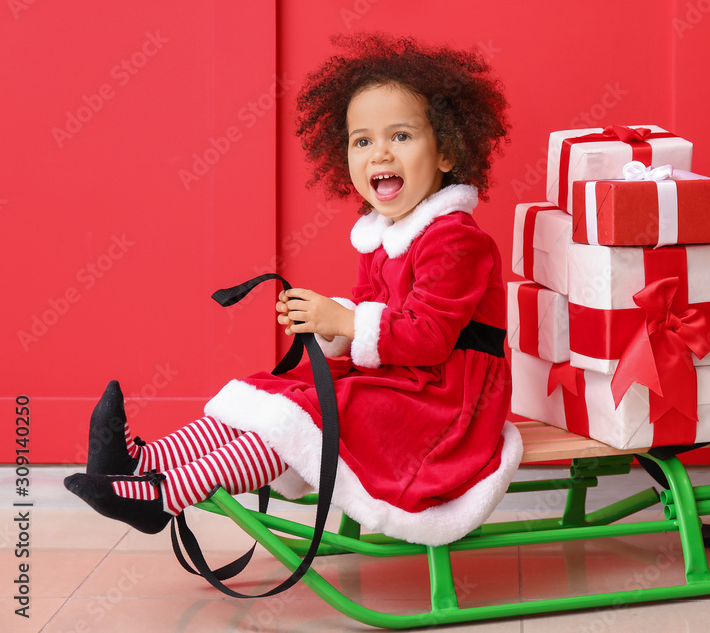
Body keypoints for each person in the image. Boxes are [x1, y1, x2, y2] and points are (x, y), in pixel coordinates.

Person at [65, 33, 521, 546]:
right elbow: (369, 318)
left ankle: (162, 495)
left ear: (446, 152)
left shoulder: (456, 239)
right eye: (362, 141)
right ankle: (143, 461)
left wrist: (344, 322)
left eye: (401, 136)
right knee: (278, 389)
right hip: (402, 383)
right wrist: (323, 321)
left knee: (306, 415)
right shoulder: (382, 236)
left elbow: (431, 337)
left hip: (447, 406)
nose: (379, 154)